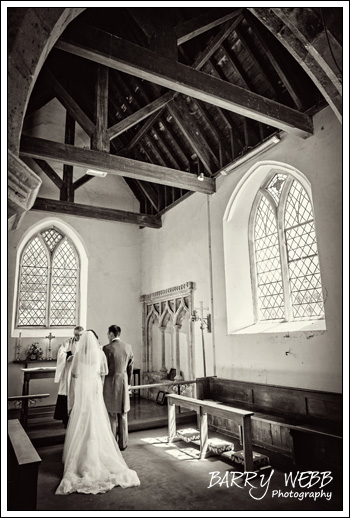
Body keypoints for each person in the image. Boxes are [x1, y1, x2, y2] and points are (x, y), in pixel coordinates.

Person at [55, 330, 140, 495]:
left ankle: (80, 455)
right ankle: (102, 451)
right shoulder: (100, 354)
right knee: (98, 422)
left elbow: (74, 374)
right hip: (95, 393)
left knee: (81, 422)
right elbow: (104, 372)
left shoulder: (78, 355)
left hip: (83, 395)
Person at [103, 325, 134, 451]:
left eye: (108, 334)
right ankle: (123, 443)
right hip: (123, 381)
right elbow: (130, 367)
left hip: (110, 382)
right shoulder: (128, 347)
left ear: (111, 334)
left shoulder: (106, 348)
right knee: (123, 413)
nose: (107, 336)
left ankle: (112, 444)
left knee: (111, 414)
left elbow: (104, 368)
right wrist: (128, 383)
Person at [54, 326, 84, 427]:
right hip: (69, 371)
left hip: (81, 372)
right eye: (76, 335)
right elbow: (61, 352)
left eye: (80, 335)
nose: (78, 337)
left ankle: (79, 419)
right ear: (73, 333)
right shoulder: (68, 342)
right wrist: (67, 356)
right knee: (67, 392)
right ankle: (66, 419)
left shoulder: (85, 343)